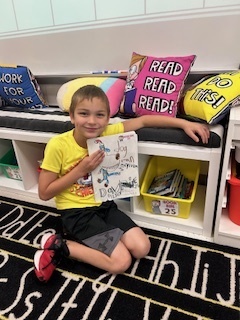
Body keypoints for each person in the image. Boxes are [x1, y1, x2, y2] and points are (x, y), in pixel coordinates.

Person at [34, 85, 210, 282]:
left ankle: (84, 239)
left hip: (104, 205)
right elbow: (45, 193)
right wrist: (80, 171)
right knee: (121, 262)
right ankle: (61, 245)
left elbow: (143, 121)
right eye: (84, 114)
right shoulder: (58, 145)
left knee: (142, 248)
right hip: (76, 212)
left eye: (99, 115)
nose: (92, 121)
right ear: (72, 117)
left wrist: (183, 123)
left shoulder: (107, 132)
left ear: (107, 119)